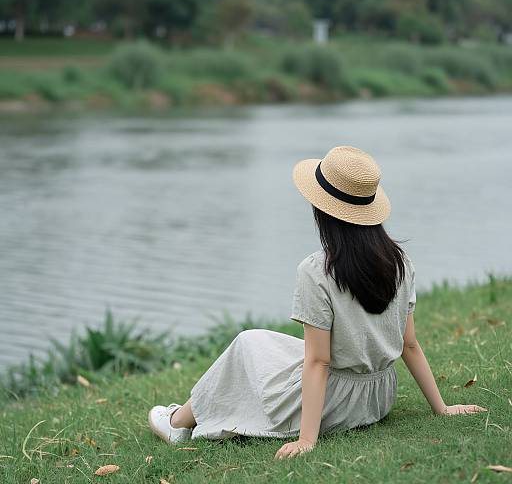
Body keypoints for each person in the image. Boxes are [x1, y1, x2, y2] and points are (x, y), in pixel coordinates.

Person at [148, 145, 487, 459]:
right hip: (378, 398)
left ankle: (178, 423)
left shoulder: (318, 270)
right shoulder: (400, 262)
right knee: (262, 344)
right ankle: (185, 415)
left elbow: (319, 363)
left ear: (322, 210)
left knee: (246, 344)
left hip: (334, 405)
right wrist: (440, 407)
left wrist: (307, 440)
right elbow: (409, 344)